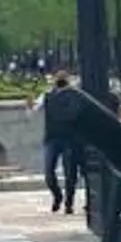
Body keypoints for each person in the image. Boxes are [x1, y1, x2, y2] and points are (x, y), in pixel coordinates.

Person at [30, 72, 80, 214]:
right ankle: (58, 196)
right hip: (52, 138)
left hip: (69, 139)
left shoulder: (74, 96)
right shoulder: (47, 96)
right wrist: (30, 105)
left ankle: (69, 203)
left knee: (70, 173)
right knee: (48, 172)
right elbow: (34, 109)